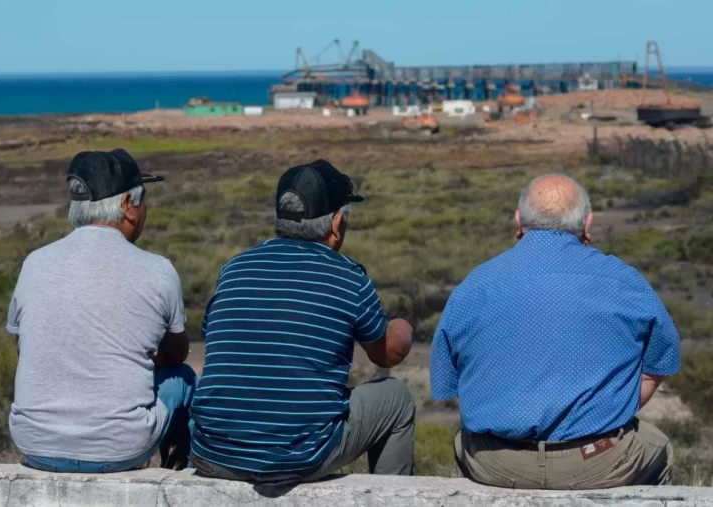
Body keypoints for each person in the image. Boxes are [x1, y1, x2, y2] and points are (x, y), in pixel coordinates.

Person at [430, 173, 681, 489]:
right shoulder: (624, 281)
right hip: (598, 460)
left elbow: (447, 383)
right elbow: (659, 365)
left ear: (518, 220)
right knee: (657, 444)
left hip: (495, 462)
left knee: (463, 438)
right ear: (587, 223)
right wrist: (600, 412)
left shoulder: (474, 286)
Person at [191, 159, 415, 487]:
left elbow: (215, 335)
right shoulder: (347, 276)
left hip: (213, 452)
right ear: (337, 223)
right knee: (397, 398)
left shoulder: (234, 269)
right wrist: (403, 327)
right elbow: (387, 355)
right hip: (298, 456)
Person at [6, 149, 197, 473]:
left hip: (35, 444)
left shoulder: (35, 262)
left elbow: (24, 344)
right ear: (127, 206)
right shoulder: (157, 270)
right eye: (142, 199)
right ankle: (177, 470)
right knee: (182, 378)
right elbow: (176, 355)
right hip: (121, 449)